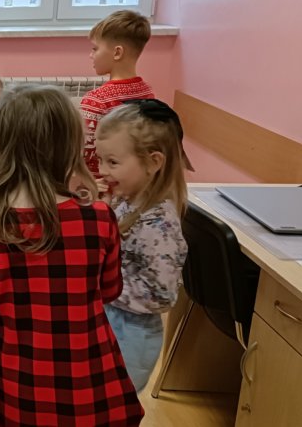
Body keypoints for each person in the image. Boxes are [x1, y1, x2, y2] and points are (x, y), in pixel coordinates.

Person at [0, 84, 143, 426]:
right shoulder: (98, 218)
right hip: (92, 386)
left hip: (16, 387)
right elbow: (109, 290)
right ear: (69, 147)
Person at [95, 99, 191, 391]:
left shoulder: (160, 225)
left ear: (153, 162)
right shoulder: (126, 202)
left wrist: (100, 287)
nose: (102, 170)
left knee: (113, 403)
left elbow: (161, 296)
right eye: (100, 160)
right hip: (112, 322)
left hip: (131, 336)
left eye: (112, 162)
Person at [81, 10, 155, 178]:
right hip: (135, 182)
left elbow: (85, 155)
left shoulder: (96, 100)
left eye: (95, 48)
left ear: (117, 52)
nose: (91, 55)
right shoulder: (147, 92)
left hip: (100, 183)